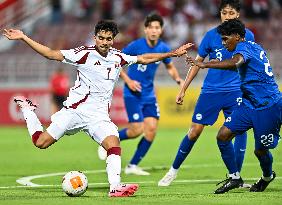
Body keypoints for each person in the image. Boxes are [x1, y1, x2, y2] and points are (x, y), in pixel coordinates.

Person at [3, 20, 192, 197]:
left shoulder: (117, 57)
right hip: (74, 112)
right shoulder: (84, 53)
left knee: (113, 144)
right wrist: (24, 37)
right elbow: (51, 54)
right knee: (41, 142)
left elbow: (143, 58)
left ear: (113, 40)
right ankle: (28, 111)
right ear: (95, 37)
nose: (104, 42)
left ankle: (115, 187)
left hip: (98, 117)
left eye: (108, 38)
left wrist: (171, 54)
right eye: (101, 38)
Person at [158, 0, 254, 187]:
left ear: (238, 15)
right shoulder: (211, 36)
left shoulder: (247, 36)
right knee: (194, 131)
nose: (227, 16)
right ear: (220, 14)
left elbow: (250, 63)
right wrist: (183, 88)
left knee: (239, 131)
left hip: (236, 91)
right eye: (224, 12)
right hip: (211, 91)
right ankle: (173, 171)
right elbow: (197, 63)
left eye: (231, 12)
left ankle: (236, 177)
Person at [186, 18, 281, 194]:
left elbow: (236, 62)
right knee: (223, 136)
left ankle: (267, 176)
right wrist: (212, 63)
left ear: (237, 37)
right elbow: (236, 67)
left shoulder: (242, 49)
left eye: (225, 39)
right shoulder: (253, 47)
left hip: (268, 105)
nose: (223, 43)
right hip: (248, 103)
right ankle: (235, 177)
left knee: (260, 151)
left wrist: (205, 64)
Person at [98, 13, 184, 176]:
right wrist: (128, 81)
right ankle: (106, 142)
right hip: (133, 93)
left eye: (157, 28)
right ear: (145, 29)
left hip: (149, 95)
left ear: (161, 30)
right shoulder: (135, 46)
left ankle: (132, 166)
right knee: (136, 130)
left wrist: (178, 80)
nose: (153, 30)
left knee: (151, 130)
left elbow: (170, 66)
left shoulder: (163, 48)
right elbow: (117, 63)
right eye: (150, 27)